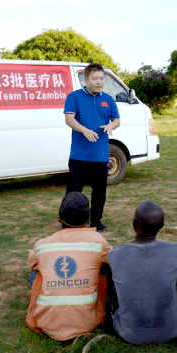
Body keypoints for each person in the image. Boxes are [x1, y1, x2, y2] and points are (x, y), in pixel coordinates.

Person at [107, 201, 177, 345]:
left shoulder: (115, 254)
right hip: (172, 331)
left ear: (134, 224)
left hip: (128, 333)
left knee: (116, 277)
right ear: (162, 226)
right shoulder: (174, 251)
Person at [26, 192, 112, 341]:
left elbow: (32, 263)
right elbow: (113, 261)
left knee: (37, 271)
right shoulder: (99, 243)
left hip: (47, 324)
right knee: (102, 269)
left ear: (59, 218)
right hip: (88, 323)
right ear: (87, 218)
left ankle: (47, 308)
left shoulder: (42, 244)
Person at [64, 63, 120, 232]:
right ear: (86, 79)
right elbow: (69, 119)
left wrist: (111, 126)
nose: (99, 82)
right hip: (79, 155)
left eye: (101, 78)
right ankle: (68, 221)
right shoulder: (74, 97)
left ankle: (96, 221)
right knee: (74, 191)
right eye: (95, 78)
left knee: (99, 192)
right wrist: (84, 130)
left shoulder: (108, 100)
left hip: (101, 155)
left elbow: (117, 120)